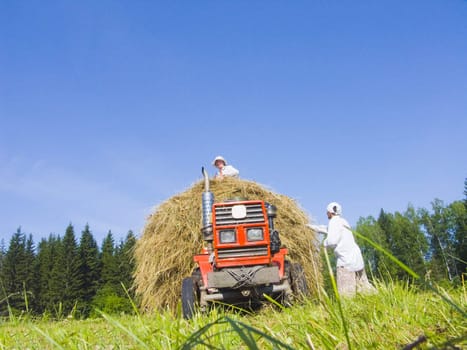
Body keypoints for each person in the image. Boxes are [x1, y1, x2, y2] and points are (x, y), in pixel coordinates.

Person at [321, 202, 375, 297]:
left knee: (346, 295)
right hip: (357, 259)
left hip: (345, 263)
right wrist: (313, 228)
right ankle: (384, 300)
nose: (326, 214)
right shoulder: (343, 222)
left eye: (327, 212)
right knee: (365, 289)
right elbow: (328, 229)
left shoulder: (333, 222)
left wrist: (325, 243)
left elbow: (332, 241)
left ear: (330, 212)